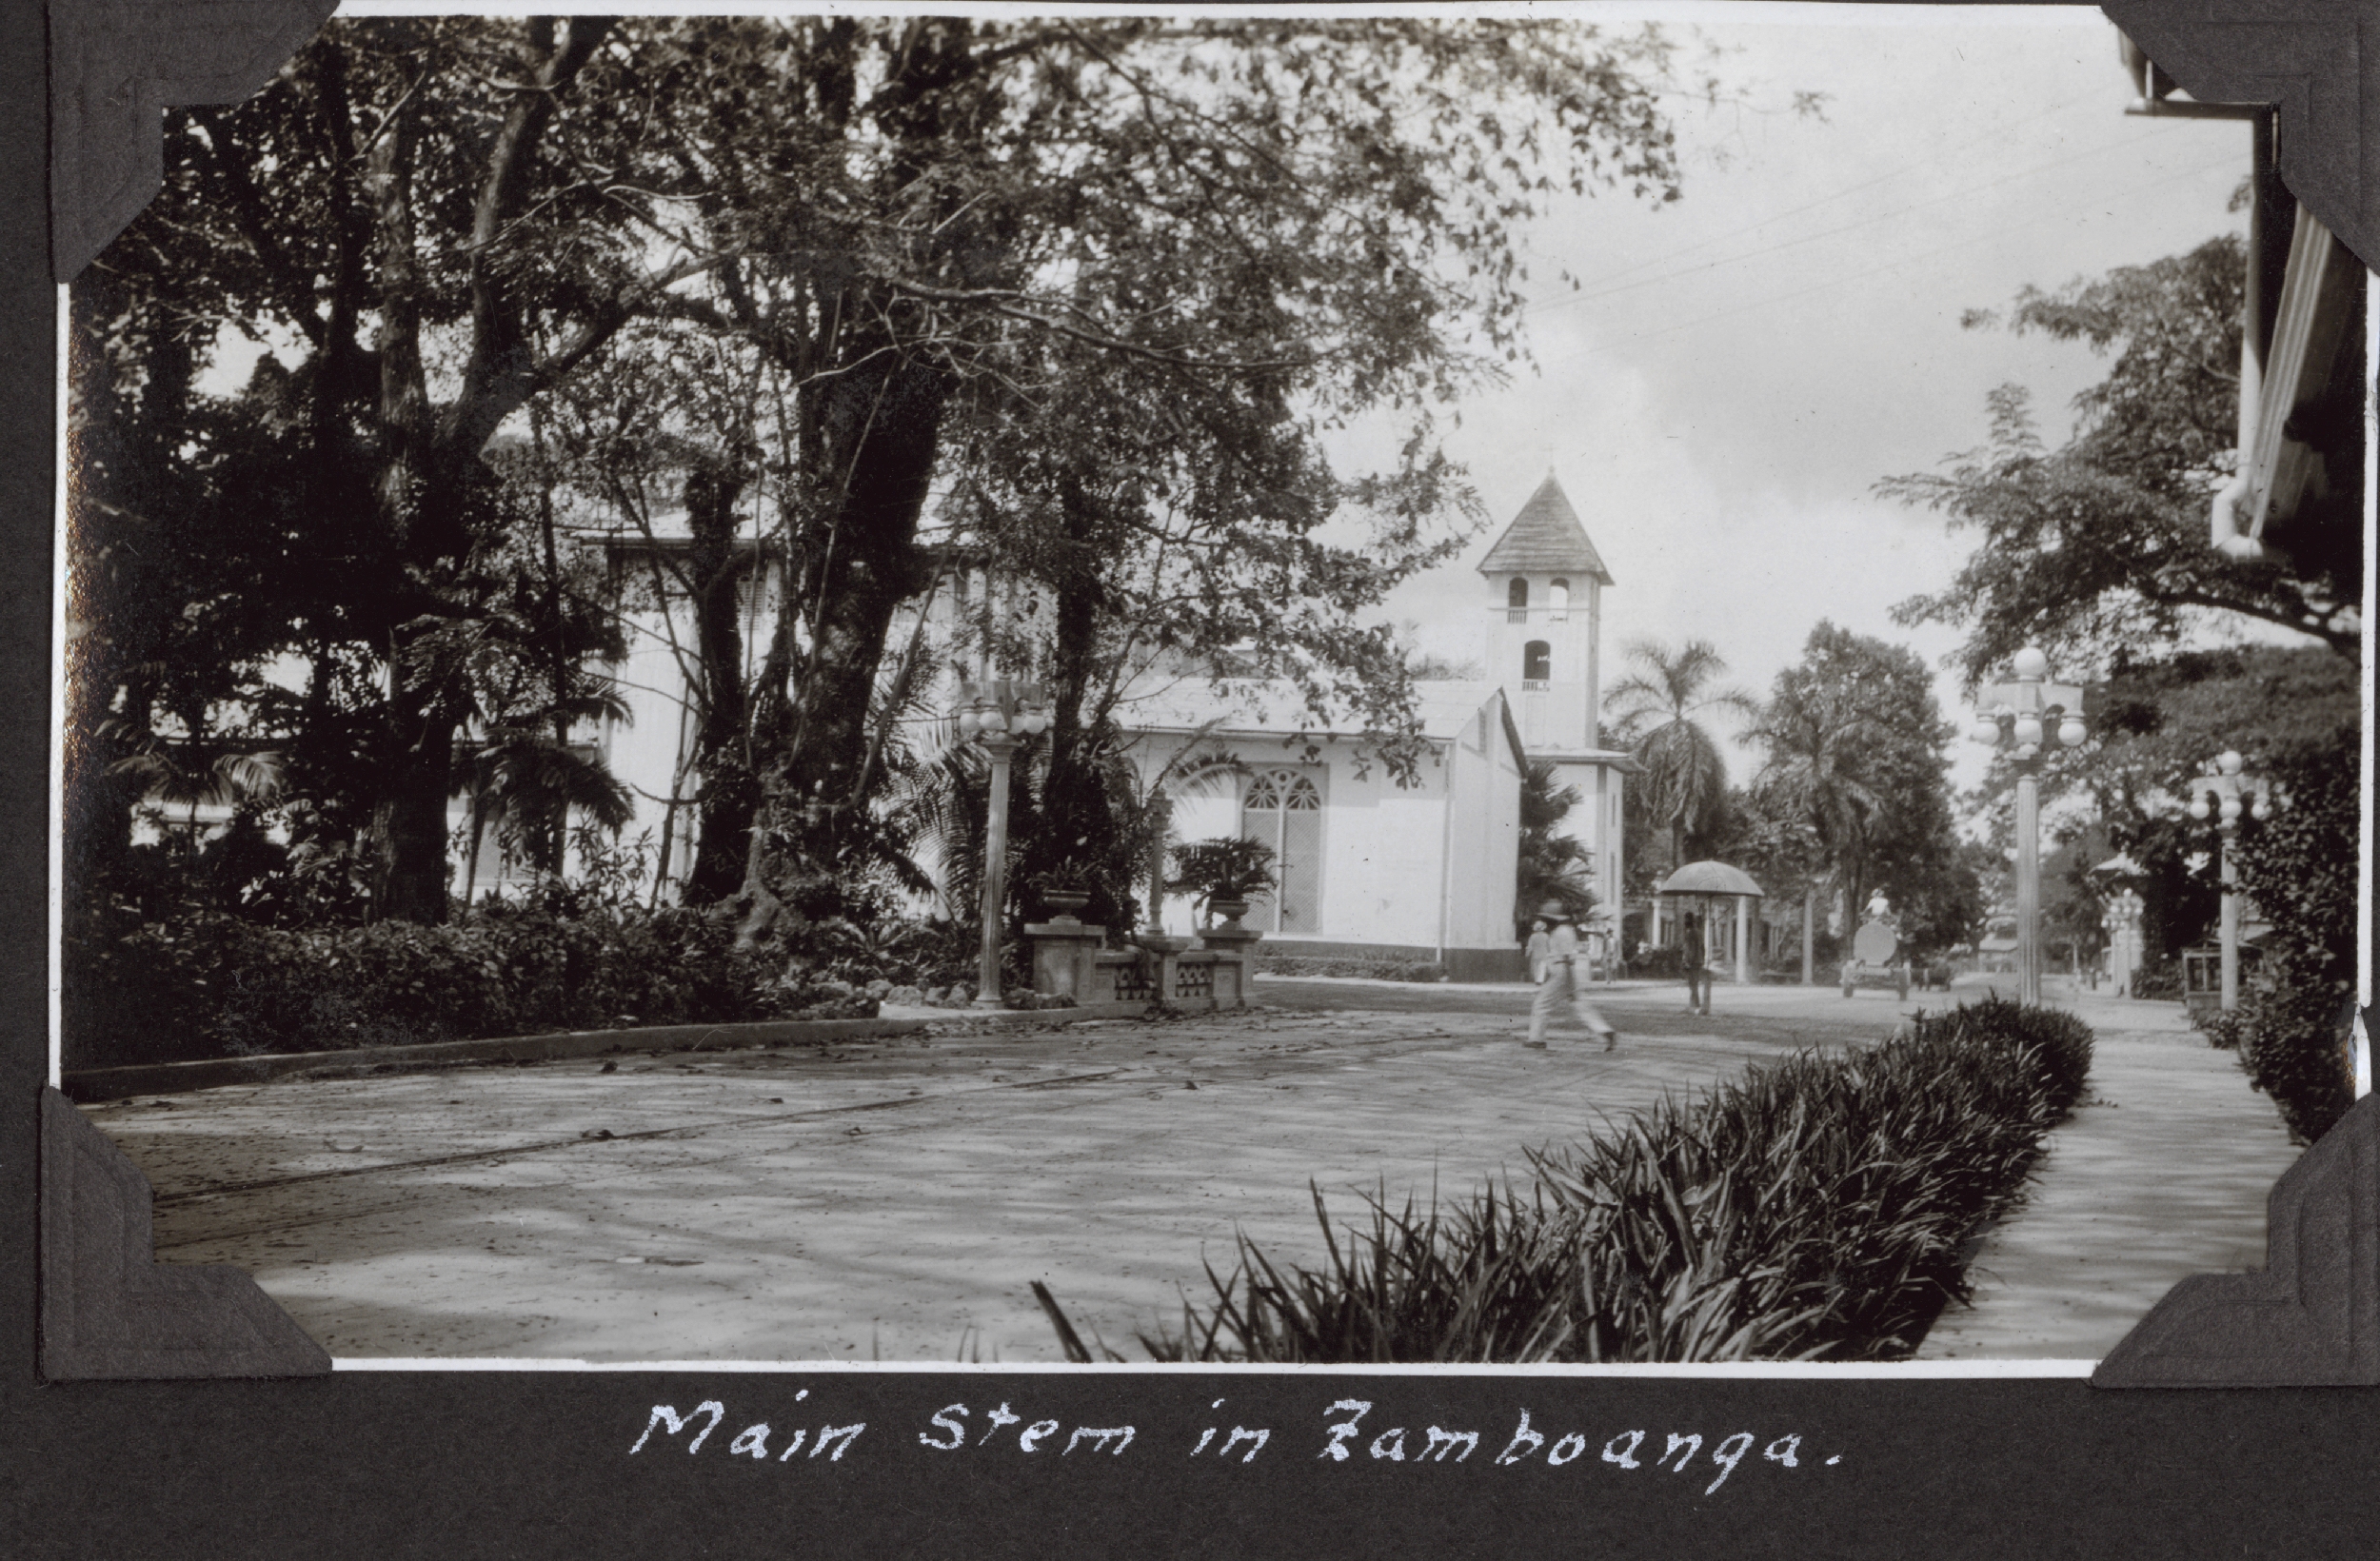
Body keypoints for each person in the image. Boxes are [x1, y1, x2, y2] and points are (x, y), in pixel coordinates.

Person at [1528, 900, 1618, 1051]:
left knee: (1542, 1004)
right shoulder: (1566, 930)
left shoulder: (1560, 932)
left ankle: (1537, 1039)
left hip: (1561, 970)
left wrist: (1569, 981)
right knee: (1581, 1004)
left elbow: (1567, 957)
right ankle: (1604, 1031)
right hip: (1565, 971)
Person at [1681, 911, 1710, 1015]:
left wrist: (1687, 961)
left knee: (1692, 983)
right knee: (1695, 982)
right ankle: (1694, 1003)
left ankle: (1694, 1005)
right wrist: (1701, 959)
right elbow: (1702, 948)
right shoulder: (1699, 932)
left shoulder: (1690, 933)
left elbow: (1690, 949)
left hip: (1692, 961)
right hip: (1699, 960)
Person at [1523, 919, 1553, 985]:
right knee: (1542, 968)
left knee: (1535, 967)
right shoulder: (1546, 936)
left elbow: (1530, 946)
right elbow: (1549, 945)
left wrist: (1527, 953)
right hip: (1544, 954)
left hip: (1535, 954)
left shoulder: (1533, 936)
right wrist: (1550, 952)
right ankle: (1540, 980)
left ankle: (1537, 979)